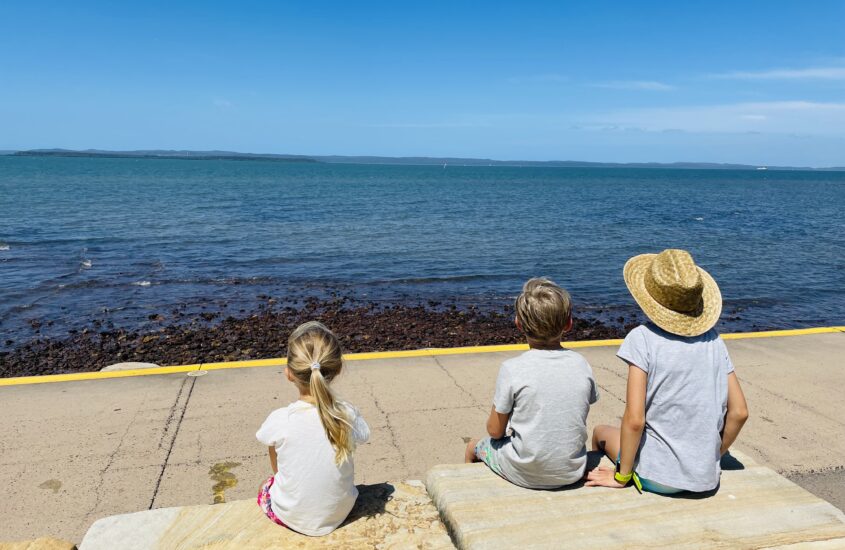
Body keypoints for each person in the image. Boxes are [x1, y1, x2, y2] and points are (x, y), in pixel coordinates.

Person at [586, 249, 749, 495]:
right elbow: (739, 412)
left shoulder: (642, 338)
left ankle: (617, 473)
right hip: (705, 480)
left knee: (600, 431)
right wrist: (712, 457)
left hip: (656, 476)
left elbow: (635, 419)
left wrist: (622, 476)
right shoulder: (713, 341)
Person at [465, 277, 600, 489]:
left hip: (525, 472)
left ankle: (469, 486)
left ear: (518, 323)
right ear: (568, 323)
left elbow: (495, 431)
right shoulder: (581, 364)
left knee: (475, 446)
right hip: (572, 471)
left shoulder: (512, 368)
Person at [256, 321, 370, 536]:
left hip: (292, 516)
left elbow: (274, 458)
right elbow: (363, 435)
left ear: (289, 373)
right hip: (340, 512)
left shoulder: (280, 419)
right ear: (338, 369)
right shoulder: (347, 414)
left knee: (265, 484)